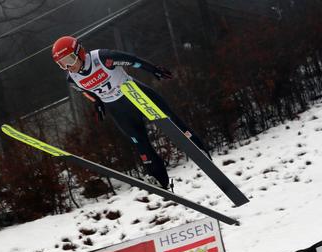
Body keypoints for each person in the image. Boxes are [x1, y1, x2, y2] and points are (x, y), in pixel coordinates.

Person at [51, 36, 210, 189]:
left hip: (135, 95)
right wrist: (98, 103)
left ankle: (198, 147)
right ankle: (158, 177)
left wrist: (154, 69)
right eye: (61, 64)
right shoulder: (72, 79)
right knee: (139, 141)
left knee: (170, 120)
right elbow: (87, 91)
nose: (68, 66)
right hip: (118, 109)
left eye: (69, 60)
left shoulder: (102, 57)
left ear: (79, 52)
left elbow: (133, 60)